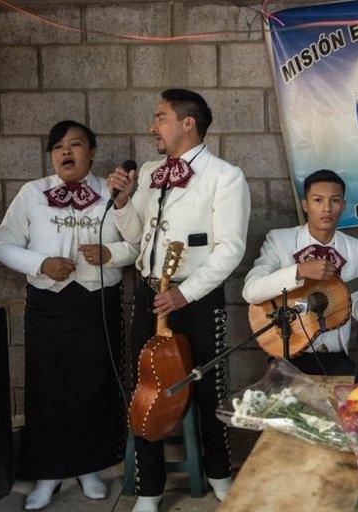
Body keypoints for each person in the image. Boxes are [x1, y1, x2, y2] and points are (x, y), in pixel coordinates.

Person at [108, 89, 250, 512]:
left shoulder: (225, 176)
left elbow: (231, 248)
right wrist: (121, 203)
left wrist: (184, 293)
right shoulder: (151, 171)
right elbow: (137, 237)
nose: (153, 126)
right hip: (150, 295)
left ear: (187, 123)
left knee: (209, 389)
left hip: (196, 298)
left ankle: (219, 473)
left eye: (160, 117)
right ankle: (150, 491)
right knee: (146, 393)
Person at [0, 120, 139, 509]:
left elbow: (137, 245)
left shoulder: (112, 193)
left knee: (94, 386)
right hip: (49, 307)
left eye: (75, 145)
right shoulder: (32, 193)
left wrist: (111, 254)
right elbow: (3, 245)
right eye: (58, 147)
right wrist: (40, 263)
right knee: (48, 389)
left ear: (92, 150)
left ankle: (88, 467)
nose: (66, 152)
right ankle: (48, 474)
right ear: (51, 155)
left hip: (96, 305)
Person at [242, 169, 358, 375]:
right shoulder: (280, 240)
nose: (327, 208)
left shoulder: (356, 248)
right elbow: (251, 291)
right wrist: (299, 271)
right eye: (318, 200)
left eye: (335, 200)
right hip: (289, 352)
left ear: (343, 205)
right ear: (305, 204)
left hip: (336, 357)